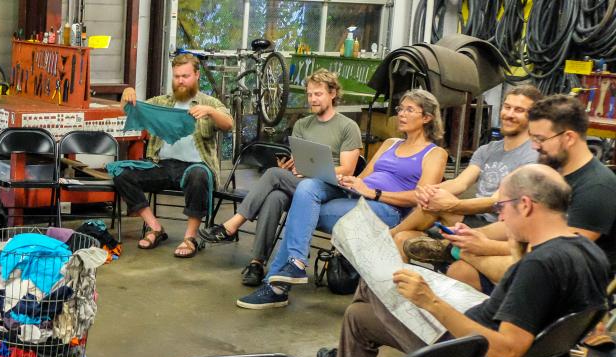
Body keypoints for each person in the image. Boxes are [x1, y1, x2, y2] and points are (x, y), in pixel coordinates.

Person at [316, 165, 608, 357]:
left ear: (525, 205)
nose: (501, 217)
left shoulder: (540, 267)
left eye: (501, 207)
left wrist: (430, 301)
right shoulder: (589, 253)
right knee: (359, 316)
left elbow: (506, 352)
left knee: (375, 273)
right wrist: (516, 246)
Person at [237, 90, 449, 309]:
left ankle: (278, 284)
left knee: (301, 210)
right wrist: (348, 181)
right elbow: (364, 178)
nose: (401, 114)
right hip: (356, 197)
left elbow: (421, 197)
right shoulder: (390, 144)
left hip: (387, 209)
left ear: (427, 117)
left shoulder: (434, 153)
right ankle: (293, 265)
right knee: (308, 186)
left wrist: (374, 193)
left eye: (409, 110)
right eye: (400, 109)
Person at [430, 94, 616, 293]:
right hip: (539, 255)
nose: (534, 146)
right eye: (533, 137)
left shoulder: (596, 188)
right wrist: (472, 236)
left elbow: (558, 252)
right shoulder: (550, 172)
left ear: (569, 137)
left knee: (463, 264)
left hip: (568, 276)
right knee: (461, 269)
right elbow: (514, 222)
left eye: (540, 139)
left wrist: (483, 247)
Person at [198, 69, 361, 284]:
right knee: (275, 196)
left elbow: (348, 169)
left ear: (332, 94)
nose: (313, 99)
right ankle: (257, 263)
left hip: (331, 187)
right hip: (302, 185)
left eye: (318, 94)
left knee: (274, 175)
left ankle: (232, 225)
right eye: (310, 94)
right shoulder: (303, 125)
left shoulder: (348, 127)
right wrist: (290, 166)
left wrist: (309, 171)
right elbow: (301, 161)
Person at [395, 85, 541, 262]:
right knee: (403, 237)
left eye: (519, 110)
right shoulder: (487, 150)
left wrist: (452, 205)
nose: (509, 114)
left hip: (499, 226)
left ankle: (387, 236)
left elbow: (495, 202)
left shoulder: (533, 155)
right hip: (473, 219)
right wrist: (429, 191)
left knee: (434, 205)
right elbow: (460, 183)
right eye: (507, 107)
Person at [116, 53, 233, 258]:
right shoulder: (161, 102)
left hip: (195, 166)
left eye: (185, 76)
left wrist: (211, 112)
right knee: (121, 173)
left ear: (197, 75)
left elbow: (229, 124)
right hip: (161, 165)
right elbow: (128, 110)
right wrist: (127, 94)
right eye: (177, 76)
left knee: (199, 176)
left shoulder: (209, 102)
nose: (180, 81)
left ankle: (190, 237)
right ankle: (155, 228)